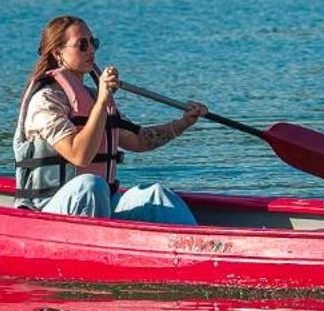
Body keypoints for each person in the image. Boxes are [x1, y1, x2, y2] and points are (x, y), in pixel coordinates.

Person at [14, 15, 206, 223]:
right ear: (58, 52)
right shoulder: (45, 100)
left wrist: (183, 123)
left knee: (156, 194)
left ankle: (199, 247)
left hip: (99, 203)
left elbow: (140, 140)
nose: (92, 50)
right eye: (82, 44)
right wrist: (103, 99)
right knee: (90, 186)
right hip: (47, 212)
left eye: (93, 43)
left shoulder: (93, 98)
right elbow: (79, 155)